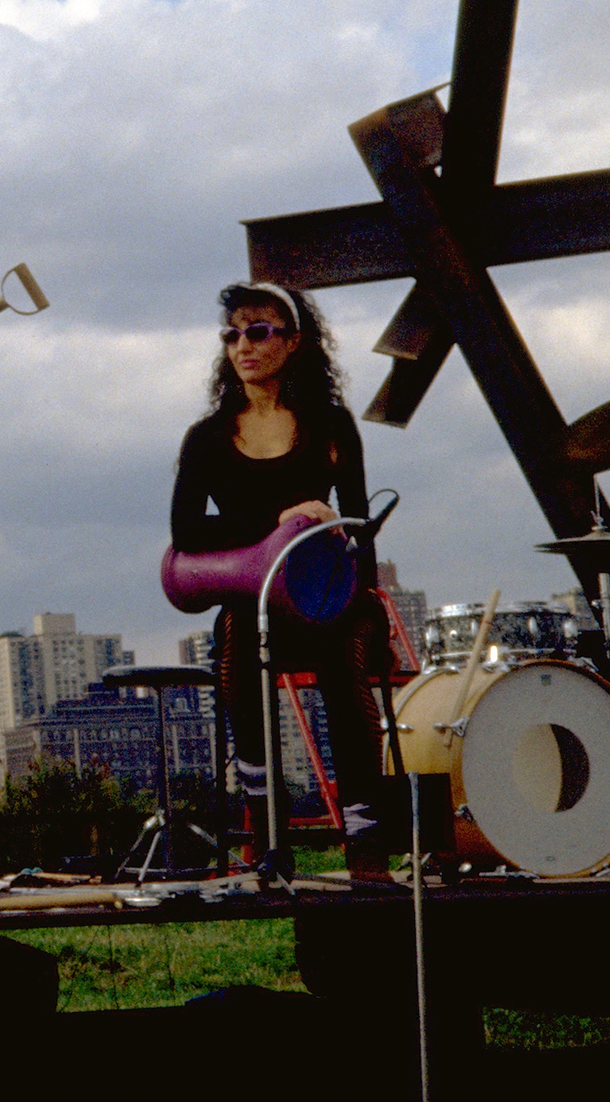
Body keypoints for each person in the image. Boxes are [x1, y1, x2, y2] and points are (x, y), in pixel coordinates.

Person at [168, 281, 393, 881]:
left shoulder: (332, 425)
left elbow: (361, 531)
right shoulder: (208, 437)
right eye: (232, 334)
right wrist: (280, 518)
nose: (243, 344)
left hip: (331, 598)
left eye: (259, 331)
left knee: (346, 669)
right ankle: (269, 835)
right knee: (238, 657)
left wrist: (354, 593)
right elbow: (186, 531)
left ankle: (365, 840)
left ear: (292, 342)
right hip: (257, 601)